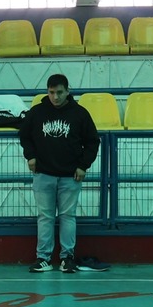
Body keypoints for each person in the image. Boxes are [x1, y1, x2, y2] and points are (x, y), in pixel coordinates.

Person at [19, 74, 103, 273]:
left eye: (59, 92)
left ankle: (67, 257)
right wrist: (30, 156)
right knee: (45, 217)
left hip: (70, 176)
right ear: (47, 91)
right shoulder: (37, 112)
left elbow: (92, 141)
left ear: (68, 91)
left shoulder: (80, 114)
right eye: (51, 92)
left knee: (67, 216)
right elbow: (24, 136)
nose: (55, 97)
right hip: (43, 174)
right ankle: (43, 258)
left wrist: (83, 166)